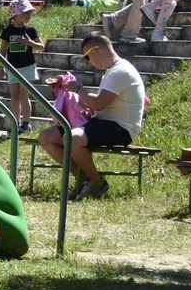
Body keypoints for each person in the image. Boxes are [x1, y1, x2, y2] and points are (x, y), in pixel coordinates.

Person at [37, 32, 145, 199]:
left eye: (87, 57)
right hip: (103, 123)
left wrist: (78, 89)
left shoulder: (121, 72)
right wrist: (69, 93)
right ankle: (83, 180)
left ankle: (96, 181)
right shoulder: (113, 71)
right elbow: (98, 102)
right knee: (47, 137)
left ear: (95, 51)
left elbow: (99, 104)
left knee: (72, 138)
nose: (88, 62)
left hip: (121, 129)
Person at [0, 0, 43, 127]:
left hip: (27, 67)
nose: (29, 15)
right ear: (15, 15)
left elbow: (41, 46)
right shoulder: (7, 31)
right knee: (14, 97)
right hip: (12, 68)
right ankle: (15, 123)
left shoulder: (30, 30)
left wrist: (29, 42)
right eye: (25, 13)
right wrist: (2, 66)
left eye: (29, 12)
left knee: (24, 96)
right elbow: (3, 49)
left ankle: (26, 123)